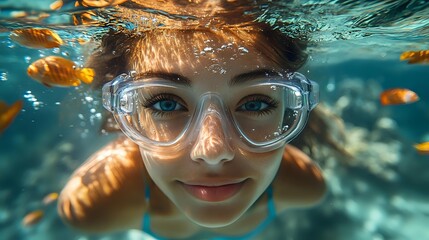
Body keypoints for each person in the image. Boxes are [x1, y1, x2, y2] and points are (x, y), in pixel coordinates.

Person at [58, 1, 343, 239]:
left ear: (289, 108)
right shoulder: (94, 205)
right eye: (166, 104)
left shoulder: (306, 186)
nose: (212, 151)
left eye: (255, 103)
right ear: (124, 112)